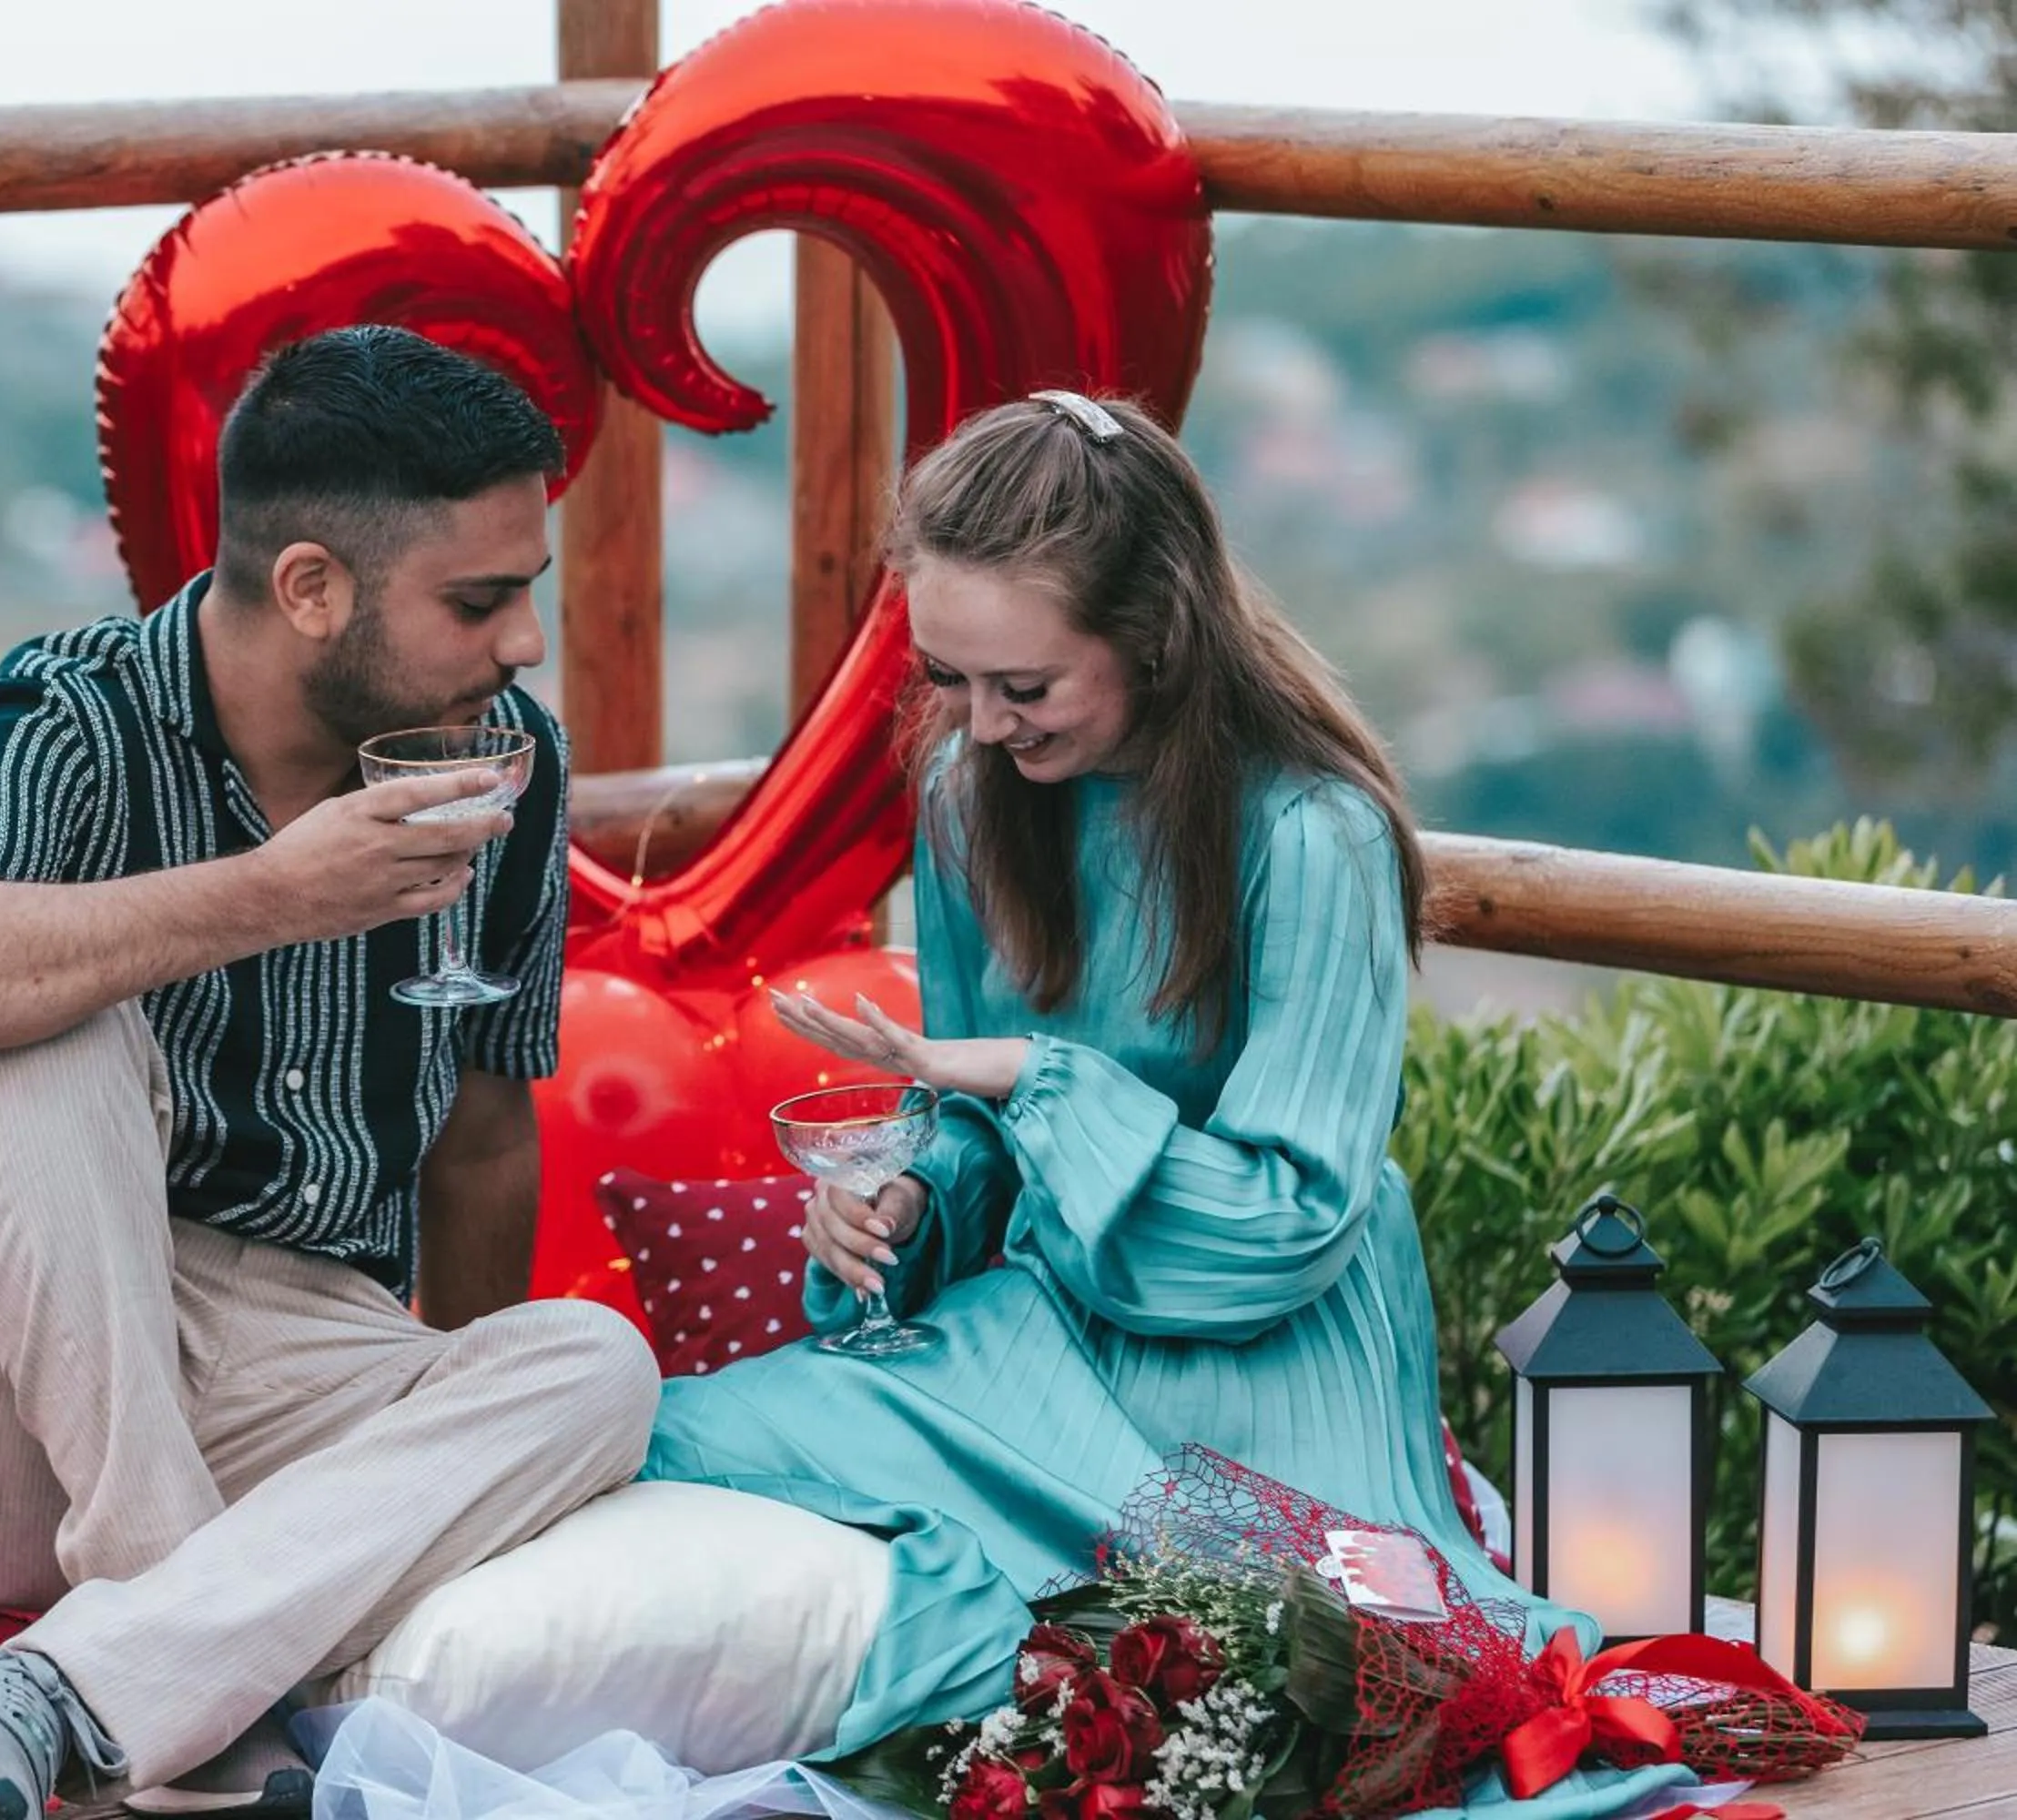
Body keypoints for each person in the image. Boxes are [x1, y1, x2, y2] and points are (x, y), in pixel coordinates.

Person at [642, 392, 1688, 1817]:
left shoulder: (1313, 836)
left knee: (1273, 1658)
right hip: (1040, 1326)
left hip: (1259, 1344)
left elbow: (1288, 1220)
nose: (983, 723)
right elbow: (968, 1133)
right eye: (950, 677)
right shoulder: (963, 793)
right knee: (680, 1434)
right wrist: (907, 1198)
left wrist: (1037, 1079)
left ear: (1155, 636)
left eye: (1027, 686)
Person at [0, 325, 661, 1820]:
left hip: (290, 1354)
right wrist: (271, 893)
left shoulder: (502, 758)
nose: (523, 642)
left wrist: (450, 1434)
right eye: (479, 600)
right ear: (312, 587)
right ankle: (172, 1646)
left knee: (598, 1370)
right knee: (45, 1027)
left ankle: (96, 1683)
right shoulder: (80, 716)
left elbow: (482, 1137)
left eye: (529, 592)